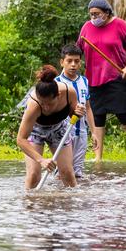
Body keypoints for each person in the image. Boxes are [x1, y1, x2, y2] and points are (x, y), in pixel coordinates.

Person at [77, 0, 126, 162]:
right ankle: (98, 156)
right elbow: (78, 49)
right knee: (98, 116)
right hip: (93, 77)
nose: (93, 17)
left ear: (106, 12)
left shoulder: (119, 25)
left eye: (96, 13)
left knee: (123, 115)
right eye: (91, 14)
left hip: (117, 76)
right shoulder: (86, 28)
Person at [17, 65, 85, 189]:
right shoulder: (33, 105)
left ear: (58, 95)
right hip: (36, 131)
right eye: (42, 103)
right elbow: (21, 139)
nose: (46, 108)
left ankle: (73, 204)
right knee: (34, 176)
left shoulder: (69, 93)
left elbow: (73, 114)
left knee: (67, 173)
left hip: (59, 129)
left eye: (49, 103)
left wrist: (78, 112)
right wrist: (41, 160)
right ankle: (30, 205)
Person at [55, 44, 94, 179]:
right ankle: (58, 197)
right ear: (62, 62)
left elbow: (88, 108)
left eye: (76, 61)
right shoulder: (57, 83)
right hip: (63, 132)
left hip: (81, 132)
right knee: (63, 170)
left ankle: (74, 198)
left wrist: (94, 132)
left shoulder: (84, 81)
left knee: (78, 172)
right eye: (69, 61)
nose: (73, 65)